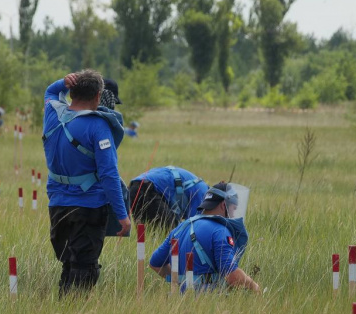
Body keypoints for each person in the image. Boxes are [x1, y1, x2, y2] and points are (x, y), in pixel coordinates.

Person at [43, 70, 130, 296]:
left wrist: (62, 81)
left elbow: (51, 91)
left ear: (71, 91)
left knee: (69, 263)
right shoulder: (98, 126)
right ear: (98, 95)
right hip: (89, 207)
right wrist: (122, 216)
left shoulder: (52, 113)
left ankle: (63, 310)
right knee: (85, 267)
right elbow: (109, 174)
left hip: (57, 205)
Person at [149, 182, 260, 293]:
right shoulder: (220, 231)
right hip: (211, 302)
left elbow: (155, 264)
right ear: (223, 205)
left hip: (181, 302)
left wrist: (181, 281)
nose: (234, 213)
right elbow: (232, 275)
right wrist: (255, 287)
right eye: (233, 208)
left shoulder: (181, 227)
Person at [129, 166, 209, 229]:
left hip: (133, 187)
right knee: (171, 232)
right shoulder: (203, 194)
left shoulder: (198, 185)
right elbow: (193, 227)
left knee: (144, 235)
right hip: (147, 189)